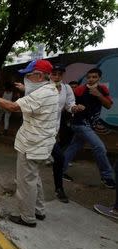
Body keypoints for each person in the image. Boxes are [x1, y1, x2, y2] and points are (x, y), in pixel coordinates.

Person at [0, 59, 59, 227]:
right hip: (40, 144)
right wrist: (27, 89)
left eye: (29, 75)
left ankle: (27, 217)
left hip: (32, 145)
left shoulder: (42, 94)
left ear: (39, 75)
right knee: (34, 177)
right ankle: (39, 210)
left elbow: (12, 107)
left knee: (25, 182)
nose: (26, 78)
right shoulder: (51, 89)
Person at [62, 68, 115, 189]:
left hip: (89, 125)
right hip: (79, 124)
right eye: (89, 77)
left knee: (73, 147)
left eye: (94, 77)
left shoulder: (102, 89)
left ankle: (59, 170)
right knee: (99, 147)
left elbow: (108, 105)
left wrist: (99, 95)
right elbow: (69, 104)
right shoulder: (80, 90)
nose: (91, 79)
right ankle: (107, 177)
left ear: (99, 78)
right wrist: (75, 107)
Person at [47, 65, 85, 201]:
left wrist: (75, 108)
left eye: (59, 74)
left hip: (52, 131)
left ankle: (59, 189)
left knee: (60, 158)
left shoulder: (67, 88)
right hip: (39, 130)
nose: (57, 77)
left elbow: (70, 105)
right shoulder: (44, 87)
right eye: (54, 74)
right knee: (32, 160)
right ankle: (25, 186)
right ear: (49, 75)